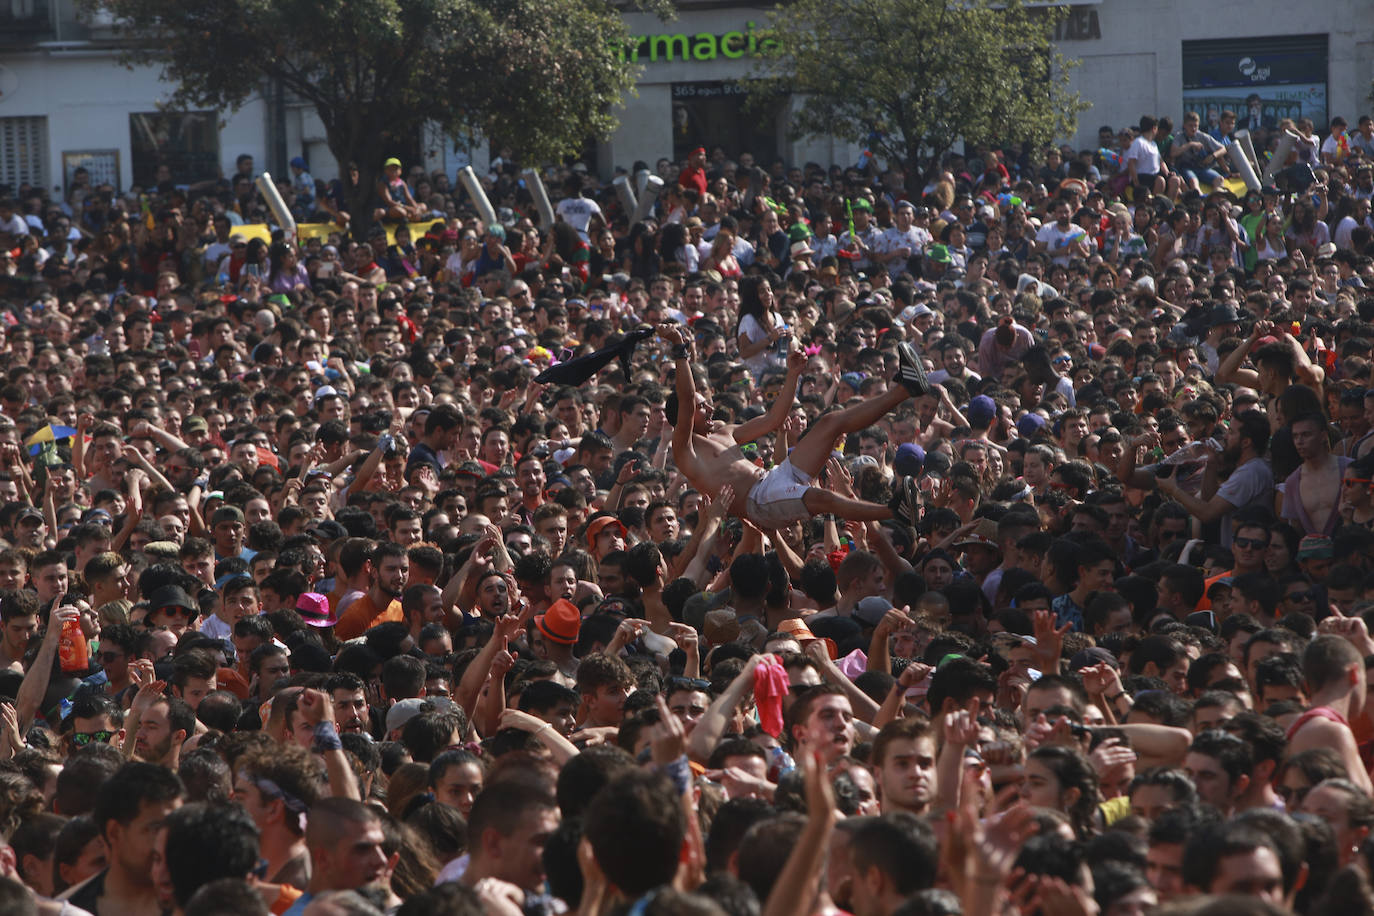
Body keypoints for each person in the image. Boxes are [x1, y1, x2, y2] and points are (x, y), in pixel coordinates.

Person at [661, 323, 927, 529]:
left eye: (707, 403)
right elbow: (685, 398)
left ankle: (905, 388)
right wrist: (679, 349)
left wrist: (792, 375)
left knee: (830, 421)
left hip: (774, 477)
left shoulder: (723, 430)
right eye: (700, 407)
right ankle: (895, 511)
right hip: (760, 502)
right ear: (684, 418)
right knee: (821, 498)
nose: (709, 408)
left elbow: (773, 420)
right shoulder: (685, 449)